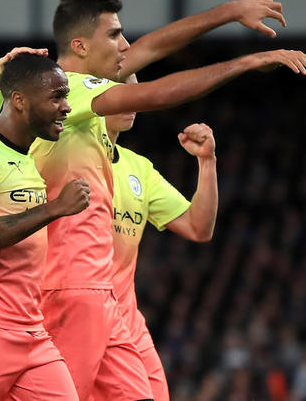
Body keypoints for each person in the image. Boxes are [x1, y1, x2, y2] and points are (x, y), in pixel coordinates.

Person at [32, 0, 306, 400]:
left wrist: (231, 12)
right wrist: (246, 62)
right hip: (66, 290)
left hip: (108, 303)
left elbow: (155, 46)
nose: (126, 47)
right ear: (80, 45)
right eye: (114, 36)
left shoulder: (128, 160)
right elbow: (158, 94)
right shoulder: (64, 91)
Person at [0, 52, 91, 400]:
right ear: (19, 102)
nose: (67, 107)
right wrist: (55, 208)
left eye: (67, 96)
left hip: (30, 325)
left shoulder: (26, 159)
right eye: (56, 96)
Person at [93, 111, 218, 401]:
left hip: (128, 323)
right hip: (82, 319)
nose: (135, 97)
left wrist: (206, 162)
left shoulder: (140, 169)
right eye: (124, 87)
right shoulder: (61, 156)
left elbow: (199, 226)